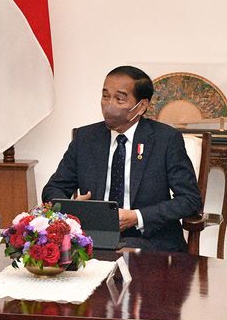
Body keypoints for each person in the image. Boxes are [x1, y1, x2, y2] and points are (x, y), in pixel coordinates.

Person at [42, 65, 203, 252]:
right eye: (105, 96)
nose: (109, 105)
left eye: (119, 99)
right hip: (92, 241)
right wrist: (74, 210)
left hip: (150, 242)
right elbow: (53, 189)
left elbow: (190, 200)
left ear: (141, 106)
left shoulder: (165, 139)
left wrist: (137, 216)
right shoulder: (86, 138)